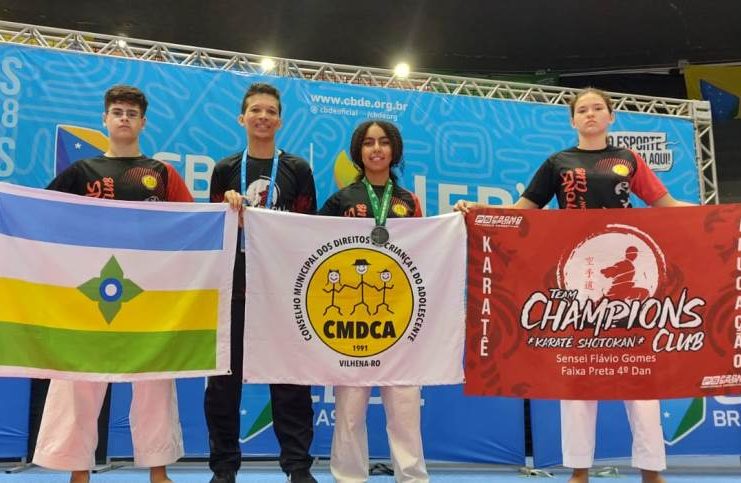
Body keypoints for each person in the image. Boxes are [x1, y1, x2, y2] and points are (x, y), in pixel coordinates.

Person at [455, 88, 690, 483]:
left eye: (598, 108)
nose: (590, 114)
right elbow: (522, 213)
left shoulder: (629, 160)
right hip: (578, 279)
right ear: (572, 120)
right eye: (582, 109)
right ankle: (579, 470)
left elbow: (667, 207)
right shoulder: (557, 163)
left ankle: (651, 470)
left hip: (634, 289)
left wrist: (722, 215)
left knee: (641, 373)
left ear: (611, 116)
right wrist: (480, 210)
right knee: (579, 374)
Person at [33, 85, 189, 483]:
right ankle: (77, 470)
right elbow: (41, 216)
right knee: (79, 380)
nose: (124, 118)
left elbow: (194, 223)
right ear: (104, 119)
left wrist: (230, 209)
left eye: (132, 114)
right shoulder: (80, 172)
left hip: (148, 292)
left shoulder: (161, 173)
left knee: (154, 380)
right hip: (88, 291)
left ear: (143, 122)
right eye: (117, 112)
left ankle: (159, 470)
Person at [206, 82, 317, 483]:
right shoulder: (225, 169)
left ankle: (297, 467)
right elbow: (213, 229)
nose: (263, 117)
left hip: (283, 289)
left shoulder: (298, 170)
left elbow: (308, 228)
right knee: (223, 383)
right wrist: (227, 209)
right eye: (256, 110)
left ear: (280, 121)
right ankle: (224, 468)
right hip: (234, 288)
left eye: (271, 111)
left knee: (290, 380)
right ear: (242, 118)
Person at [319, 120, 428, 483]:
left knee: (405, 407)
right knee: (350, 410)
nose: (376, 149)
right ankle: (348, 477)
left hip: (399, 317)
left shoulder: (409, 201)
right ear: (358, 152)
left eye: (383, 142)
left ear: (394, 150)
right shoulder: (341, 200)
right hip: (351, 319)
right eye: (368, 143)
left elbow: (426, 252)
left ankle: (412, 477)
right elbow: (313, 248)